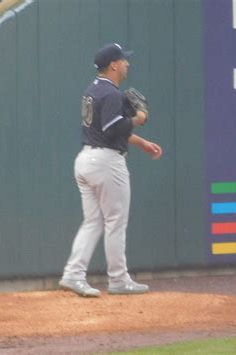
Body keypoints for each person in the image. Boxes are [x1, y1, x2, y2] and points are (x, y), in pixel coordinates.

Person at [59, 43, 163, 297]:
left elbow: (108, 129)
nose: (127, 63)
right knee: (116, 222)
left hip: (86, 160)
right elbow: (114, 129)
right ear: (113, 65)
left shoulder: (93, 89)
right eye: (123, 60)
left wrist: (141, 143)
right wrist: (138, 119)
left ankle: (73, 274)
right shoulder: (112, 94)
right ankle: (118, 279)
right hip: (106, 163)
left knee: (94, 221)